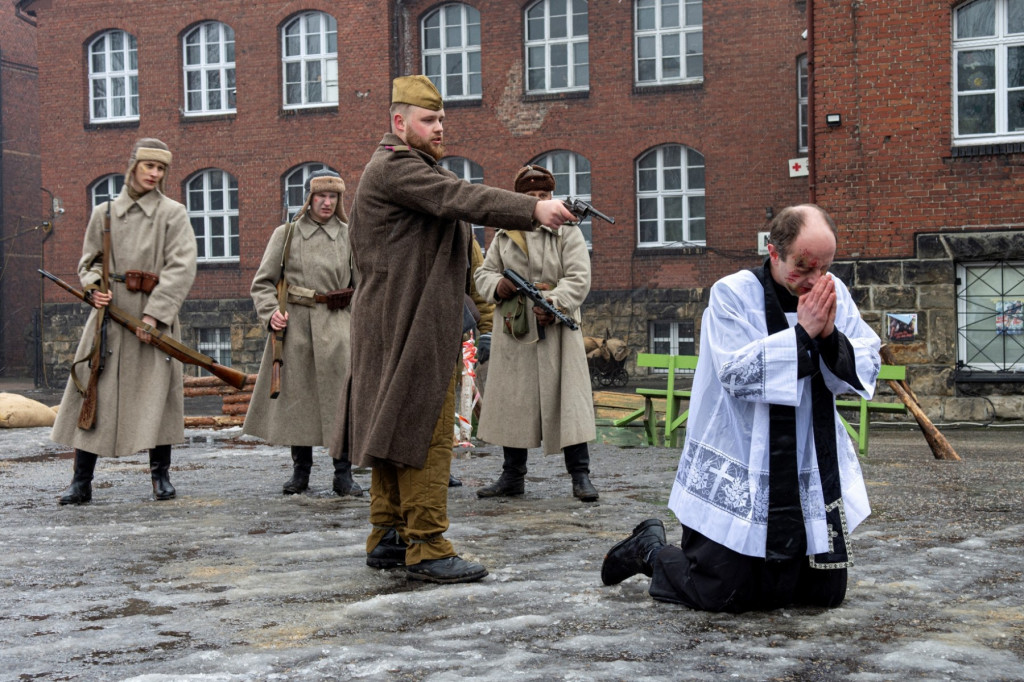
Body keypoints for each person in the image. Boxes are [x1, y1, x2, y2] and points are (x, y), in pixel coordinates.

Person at [330, 75, 577, 584]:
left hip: (398, 319)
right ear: (399, 123)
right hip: (408, 322)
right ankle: (427, 544)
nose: (440, 127)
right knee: (426, 431)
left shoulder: (411, 168)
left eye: (442, 119)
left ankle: (389, 534)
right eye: (428, 120)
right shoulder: (396, 166)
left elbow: (455, 219)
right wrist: (533, 209)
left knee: (395, 427)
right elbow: (460, 197)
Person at [601, 204, 882, 612]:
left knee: (822, 595)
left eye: (824, 267)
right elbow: (736, 374)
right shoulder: (732, 294)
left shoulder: (831, 291)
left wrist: (828, 338)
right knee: (722, 592)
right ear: (774, 252)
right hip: (745, 448)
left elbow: (866, 358)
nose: (815, 279)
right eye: (803, 266)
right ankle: (649, 549)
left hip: (807, 455)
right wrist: (804, 333)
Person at [52, 138, 197, 505]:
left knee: (157, 396)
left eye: (161, 168)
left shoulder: (173, 213)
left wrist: (155, 315)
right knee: (93, 392)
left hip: (153, 317)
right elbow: (90, 260)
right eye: (149, 166)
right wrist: (93, 288)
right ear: (133, 166)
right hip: (110, 316)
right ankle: (81, 481)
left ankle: (160, 476)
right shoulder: (105, 213)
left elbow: (181, 267)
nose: (155, 174)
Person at [474, 165, 598, 502]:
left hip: (557, 328)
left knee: (568, 401)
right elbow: (483, 274)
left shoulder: (567, 231)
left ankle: (581, 475)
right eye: (531, 196)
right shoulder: (505, 235)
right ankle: (512, 476)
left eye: (544, 195)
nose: (539, 200)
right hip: (516, 329)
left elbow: (579, 277)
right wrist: (498, 286)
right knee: (513, 402)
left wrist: (554, 301)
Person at [243, 169, 362, 497]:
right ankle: (301, 472)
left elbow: (363, 285)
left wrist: (357, 320)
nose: (327, 203)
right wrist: (271, 313)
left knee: (342, 403)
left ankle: (343, 474)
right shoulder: (287, 234)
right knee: (299, 401)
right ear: (309, 198)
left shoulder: (350, 235)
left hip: (338, 325)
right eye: (321, 196)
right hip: (296, 327)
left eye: (333, 196)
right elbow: (263, 282)